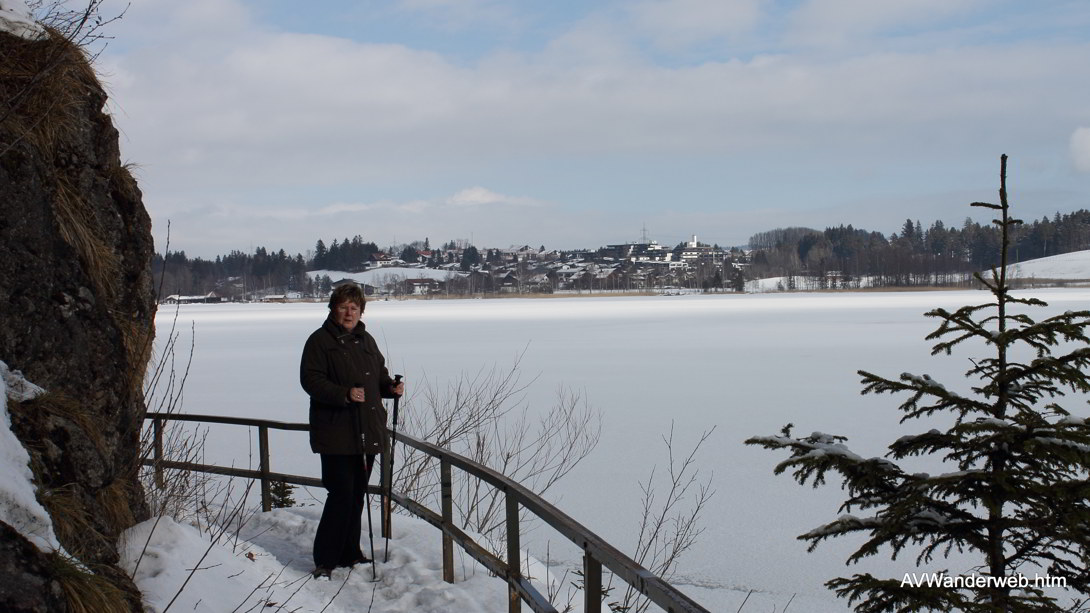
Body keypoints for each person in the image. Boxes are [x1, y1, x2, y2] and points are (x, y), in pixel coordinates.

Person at [300, 283, 404, 580]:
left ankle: (350, 552)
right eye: (343, 307)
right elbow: (311, 380)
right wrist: (343, 394)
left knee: (357, 495)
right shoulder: (319, 341)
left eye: (354, 308)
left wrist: (390, 389)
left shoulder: (366, 340)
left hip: (367, 430)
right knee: (341, 494)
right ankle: (326, 558)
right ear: (333, 308)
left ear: (361, 311)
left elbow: (379, 377)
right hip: (336, 432)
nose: (349, 313)